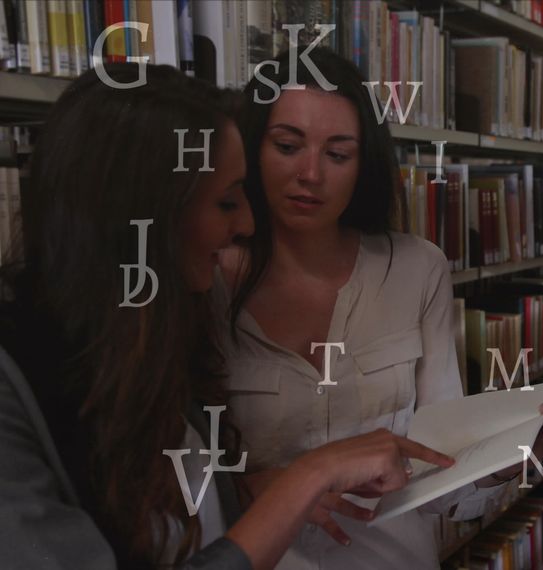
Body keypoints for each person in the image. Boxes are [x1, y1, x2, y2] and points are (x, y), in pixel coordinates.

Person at [0, 64, 454, 570]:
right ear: (150, 211)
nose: (247, 221)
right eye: (225, 201)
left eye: (339, 153)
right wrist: (307, 477)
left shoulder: (146, 342)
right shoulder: (33, 378)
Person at [214, 47, 543, 569]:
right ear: (250, 151)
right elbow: (160, 477)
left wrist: (521, 447)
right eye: (286, 146)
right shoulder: (203, 277)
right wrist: (250, 485)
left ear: (363, 164)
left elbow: (446, 477)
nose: (310, 174)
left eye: (338, 154)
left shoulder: (417, 269)